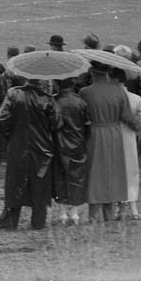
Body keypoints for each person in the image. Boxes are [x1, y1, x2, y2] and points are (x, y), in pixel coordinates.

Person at [0, 74, 61, 230]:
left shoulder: (14, 94)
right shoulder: (48, 99)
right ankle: (38, 221)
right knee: (40, 183)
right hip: (42, 147)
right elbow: (57, 124)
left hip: (18, 144)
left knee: (14, 182)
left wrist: (11, 135)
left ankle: (9, 221)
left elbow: (1, 119)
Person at [80, 62, 136, 222]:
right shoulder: (118, 91)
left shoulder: (85, 92)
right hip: (114, 134)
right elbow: (127, 116)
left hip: (94, 134)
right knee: (113, 172)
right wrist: (137, 128)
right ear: (108, 73)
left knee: (94, 172)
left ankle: (92, 216)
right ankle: (109, 215)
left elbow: (81, 114)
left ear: (92, 72)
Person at [51, 77, 89, 226]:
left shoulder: (54, 102)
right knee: (77, 178)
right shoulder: (81, 102)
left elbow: (53, 124)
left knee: (59, 177)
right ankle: (74, 212)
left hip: (59, 144)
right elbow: (88, 126)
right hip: (78, 144)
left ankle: (62, 213)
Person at [116, 68, 141, 220]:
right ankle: (133, 208)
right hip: (129, 137)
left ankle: (120, 208)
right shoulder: (135, 99)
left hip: (112, 137)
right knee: (131, 171)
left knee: (115, 171)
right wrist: (135, 133)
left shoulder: (111, 98)